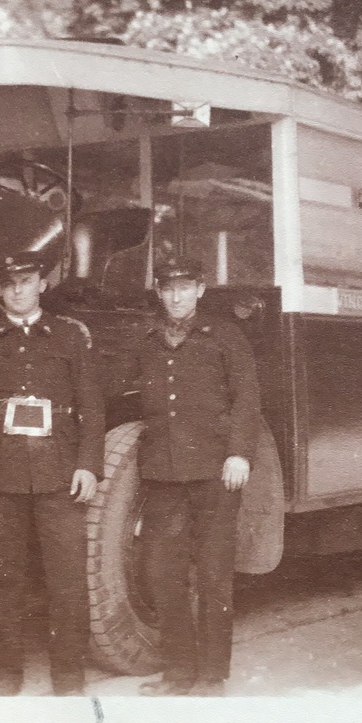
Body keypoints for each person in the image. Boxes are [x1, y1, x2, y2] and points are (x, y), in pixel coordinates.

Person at [0, 251, 104, 696]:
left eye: (26, 280)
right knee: (3, 577)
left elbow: (92, 409)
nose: (17, 289)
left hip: (59, 473)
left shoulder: (71, 337)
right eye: (8, 282)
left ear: (42, 284)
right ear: (0, 288)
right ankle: (7, 671)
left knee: (67, 579)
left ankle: (69, 676)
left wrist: (89, 466)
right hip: (0, 475)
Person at [136, 256, 262, 697]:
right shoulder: (147, 339)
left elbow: (247, 399)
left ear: (200, 290)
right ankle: (178, 673)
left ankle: (211, 677)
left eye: (185, 288)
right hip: (162, 475)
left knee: (213, 575)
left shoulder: (226, 336)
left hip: (214, 473)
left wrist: (240, 454)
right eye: (168, 289)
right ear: (158, 291)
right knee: (162, 574)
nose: (176, 296)